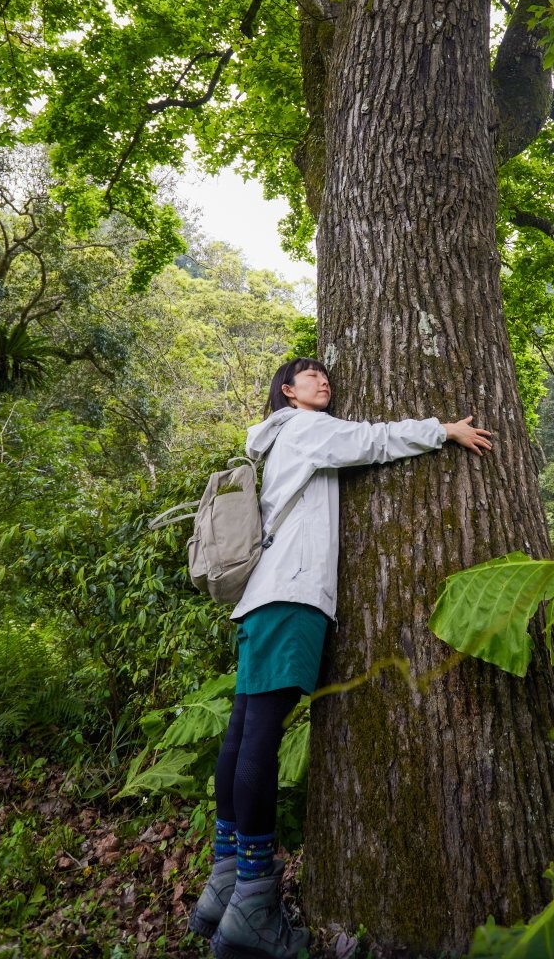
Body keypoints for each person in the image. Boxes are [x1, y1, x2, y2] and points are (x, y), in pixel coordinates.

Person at [189, 357, 492, 959]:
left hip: (260, 600)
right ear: (287, 392)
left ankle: (224, 884)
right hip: (290, 595)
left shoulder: (280, 439)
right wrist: (444, 430)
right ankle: (252, 897)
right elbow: (372, 441)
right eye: (309, 376)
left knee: (243, 731)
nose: (322, 381)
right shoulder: (304, 429)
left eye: (326, 375)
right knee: (259, 739)